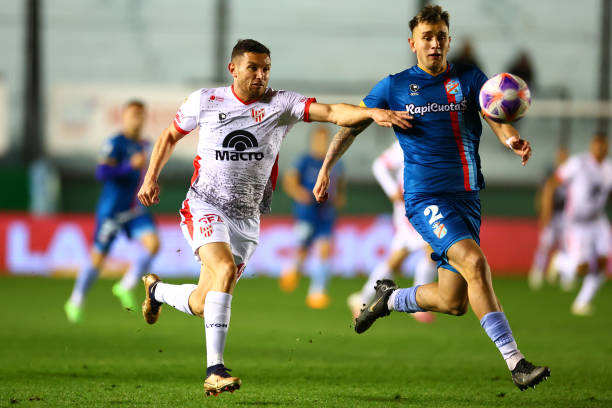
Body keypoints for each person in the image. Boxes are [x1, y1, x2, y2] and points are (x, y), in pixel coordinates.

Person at [136, 39, 411, 397]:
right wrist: (150, 176)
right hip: (204, 204)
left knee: (206, 303)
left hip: (247, 218)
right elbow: (170, 135)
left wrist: (369, 113)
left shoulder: (281, 104)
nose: (261, 75)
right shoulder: (204, 100)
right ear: (233, 69)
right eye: (253, 68)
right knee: (220, 271)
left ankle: (155, 291)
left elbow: (331, 112)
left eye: (266, 68)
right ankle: (214, 371)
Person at [312, 5, 550, 391]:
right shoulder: (394, 86)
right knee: (475, 263)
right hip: (426, 198)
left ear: (448, 41)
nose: (435, 43)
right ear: (413, 43)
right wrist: (327, 166)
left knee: (452, 300)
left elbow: (493, 112)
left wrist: (511, 139)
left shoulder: (470, 79)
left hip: (468, 198)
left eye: (441, 36)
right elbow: (350, 123)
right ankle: (516, 362)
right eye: (427, 37)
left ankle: (389, 300)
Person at [64, 100, 160, 323]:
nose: (137, 118)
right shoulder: (115, 142)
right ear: (124, 117)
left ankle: (125, 286)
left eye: (141, 114)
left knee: (153, 244)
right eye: (133, 114)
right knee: (98, 259)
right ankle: (76, 299)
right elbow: (102, 173)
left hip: (134, 209)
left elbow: (143, 173)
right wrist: (129, 166)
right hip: (111, 211)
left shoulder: (145, 144)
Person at [347, 141, 436, 323]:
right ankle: (418, 302)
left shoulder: (434, 137)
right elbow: (379, 166)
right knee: (432, 249)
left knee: (397, 260)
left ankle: (362, 297)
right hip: (410, 207)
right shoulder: (407, 142)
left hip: (424, 205)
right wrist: (392, 190)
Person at [542, 133, 611, 315]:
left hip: (598, 221)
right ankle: (560, 262)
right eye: (597, 145)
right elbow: (552, 183)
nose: (600, 149)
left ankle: (581, 303)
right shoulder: (578, 163)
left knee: (604, 262)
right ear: (591, 146)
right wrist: (546, 212)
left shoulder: (608, 168)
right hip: (577, 223)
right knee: (581, 268)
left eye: (603, 146)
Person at [279, 126, 346, 309]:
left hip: (325, 213)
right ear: (313, 141)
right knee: (303, 249)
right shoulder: (305, 161)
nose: (322, 143)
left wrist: (339, 196)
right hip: (306, 213)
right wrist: (300, 194)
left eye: (325, 140)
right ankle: (292, 269)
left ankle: (317, 293)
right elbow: (289, 181)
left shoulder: (336, 162)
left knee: (324, 250)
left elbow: (340, 184)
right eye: (319, 140)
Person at [528, 145, 569, 290]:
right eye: (560, 156)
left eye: (565, 156)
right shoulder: (551, 175)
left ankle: (566, 277)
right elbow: (543, 195)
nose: (562, 159)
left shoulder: (571, 175)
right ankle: (537, 273)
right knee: (545, 245)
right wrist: (543, 214)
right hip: (552, 215)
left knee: (566, 246)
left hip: (565, 216)